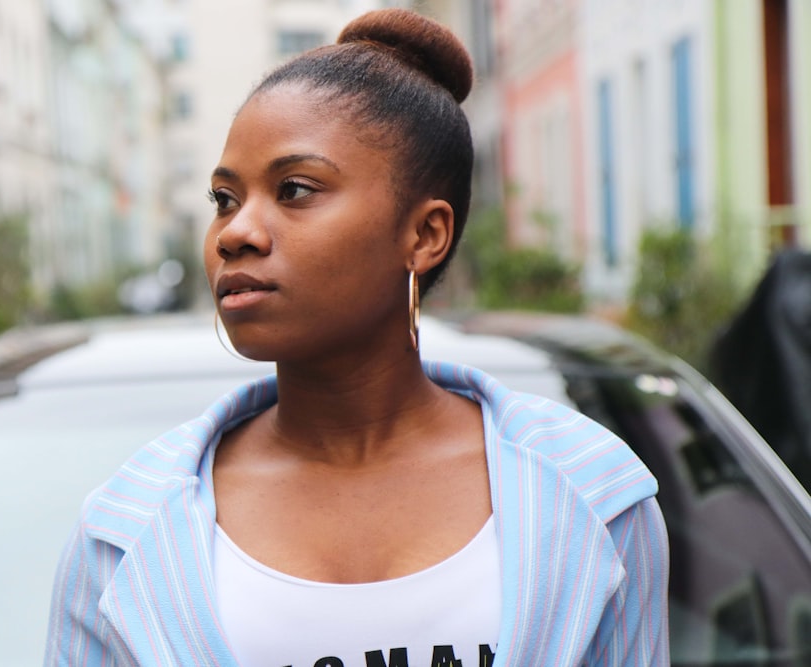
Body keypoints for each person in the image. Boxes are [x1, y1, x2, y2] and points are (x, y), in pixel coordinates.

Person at [44, 8, 669, 666]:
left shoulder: (594, 500)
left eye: (294, 189)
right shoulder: (121, 538)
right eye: (225, 199)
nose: (235, 232)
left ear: (425, 234)